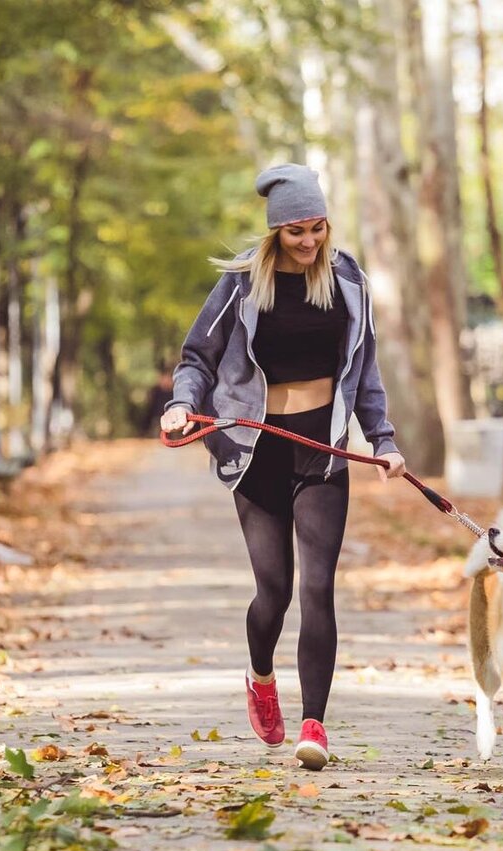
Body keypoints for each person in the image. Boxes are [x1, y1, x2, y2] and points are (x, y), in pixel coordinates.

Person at [161, 163, 407, 771]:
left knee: (319, 589)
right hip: (255, 447)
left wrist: (382, 440)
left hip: (322, 447)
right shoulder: (245, 283)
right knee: (276, 590)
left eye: (317, 228)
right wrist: (180, 404)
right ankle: (260, 674)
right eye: (296, 231)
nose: (309, 241)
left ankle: (315, 725)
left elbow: (366, 372)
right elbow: (199, 356)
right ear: (275, 233)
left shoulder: (348, 281)